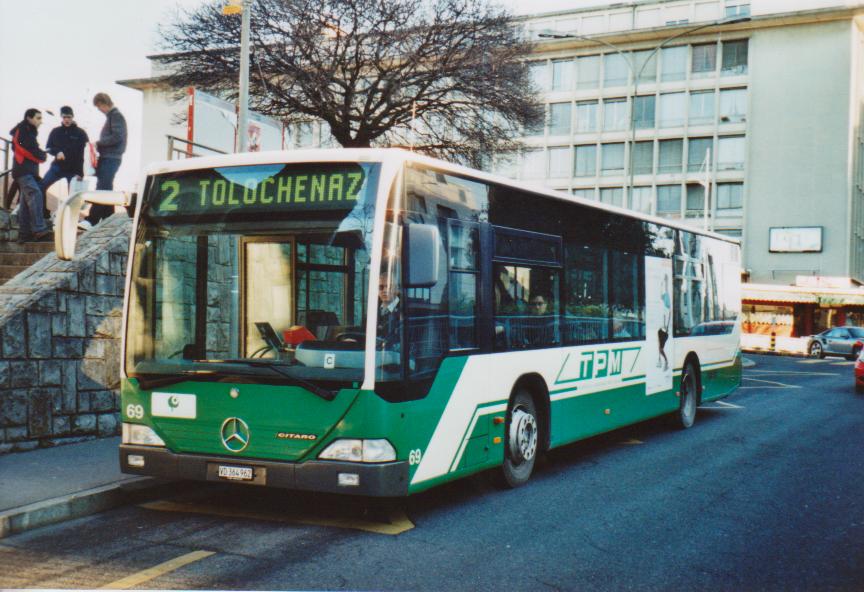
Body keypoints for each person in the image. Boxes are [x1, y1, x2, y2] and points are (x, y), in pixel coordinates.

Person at [80, 92, 126, 229]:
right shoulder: (113, 117)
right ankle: (109, 220)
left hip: (111, 157)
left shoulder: (116, 116)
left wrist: (99, 143)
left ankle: (92, 220)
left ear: (103, 103)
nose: (99, 110)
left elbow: (117, 137)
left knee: (102, 189)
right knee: (106, 189)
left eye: (99, 106)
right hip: (110, 157)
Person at [9, 109, 51, 242]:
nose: (40, 121)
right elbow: (23, 148)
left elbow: (28, 148)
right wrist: (42, 155)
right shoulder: (22, 130)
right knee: (35, 193)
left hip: (27, 171)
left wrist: (40, 154)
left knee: (26, 202)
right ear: (29, 118)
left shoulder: (28, 132)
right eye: (38, 118)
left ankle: (24, 234)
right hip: (23, 171)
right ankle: (39, 230)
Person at [42, 106, 89, 213]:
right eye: (64, 117)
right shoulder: (55, 131)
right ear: (61, 117)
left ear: (72, 117)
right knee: (42, 186)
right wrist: (57, 152)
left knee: (74, 197)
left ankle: (71, 218)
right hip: (57, 168)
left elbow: (85, 155)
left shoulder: (81, 133)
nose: (67, 119)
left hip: (73, 171)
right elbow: (48, 148)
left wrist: (80, 173)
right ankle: (43, 214)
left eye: (69, 117)